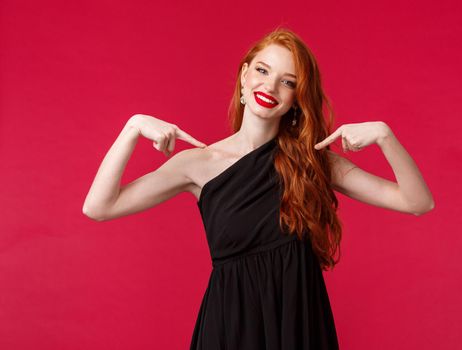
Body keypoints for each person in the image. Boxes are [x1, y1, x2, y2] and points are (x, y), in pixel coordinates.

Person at [83, 27, 435, 349]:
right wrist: (132, 129)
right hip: (230, 329)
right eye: (263, 71)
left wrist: (385, 137)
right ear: (244, 75)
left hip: (299, 328)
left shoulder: (314, 163)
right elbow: (99, 207)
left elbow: (417, 201)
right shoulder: (197, 164)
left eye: (287, 81)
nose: (270, 87)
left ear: (297, 97)